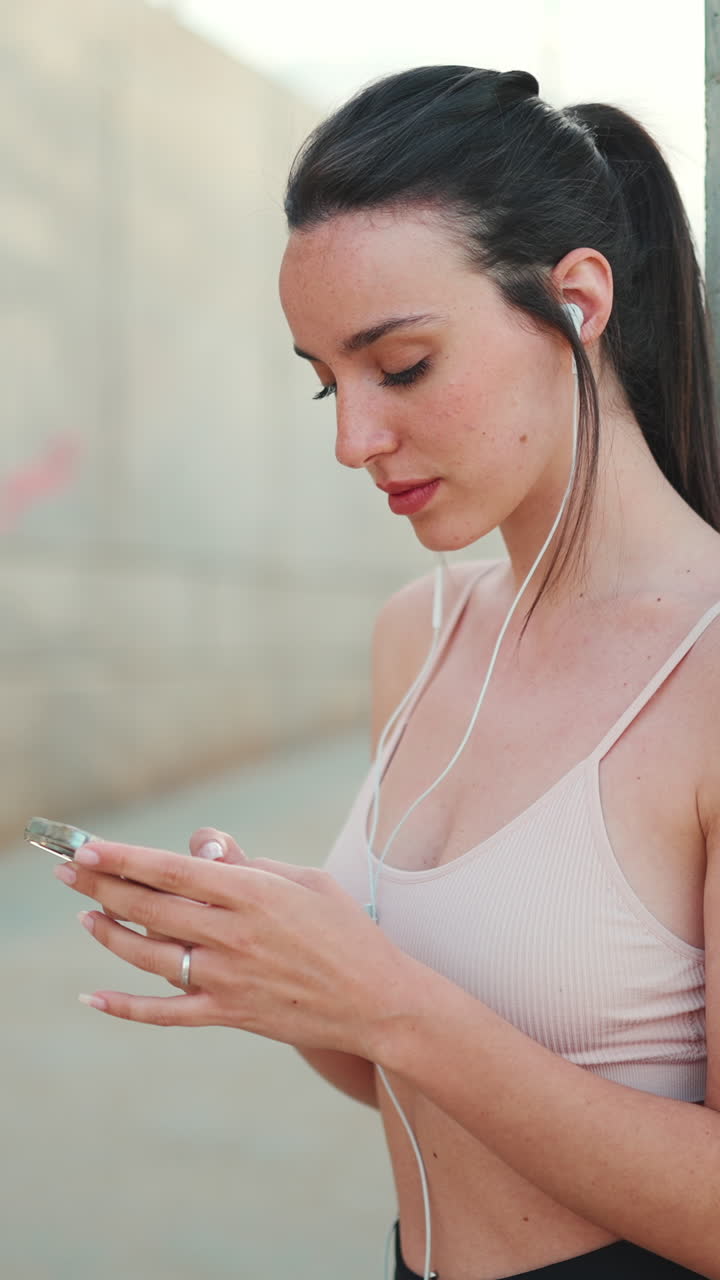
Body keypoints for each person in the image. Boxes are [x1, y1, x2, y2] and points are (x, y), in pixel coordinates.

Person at [53, 67, 720, 1279]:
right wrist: (286, 960)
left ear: (576, 302)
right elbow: (415, 1086)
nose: (353, 439)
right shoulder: (417, 632)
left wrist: (388, 999)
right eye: (325, 380)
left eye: (400, 365)